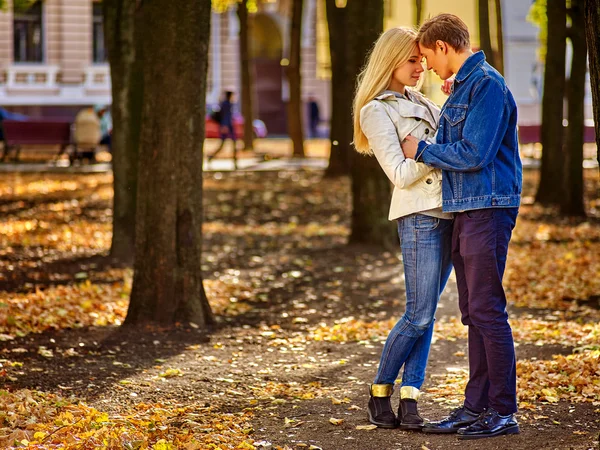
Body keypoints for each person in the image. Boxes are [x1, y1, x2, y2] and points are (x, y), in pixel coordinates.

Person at [401, 14, 523, 440]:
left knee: (488, 310)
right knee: (474, 312)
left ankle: (503, 411)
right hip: (467, 209)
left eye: (428, 57)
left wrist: (423, 150)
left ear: (442, 47)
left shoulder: (487, 85)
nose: (428, 67)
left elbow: (475, 153)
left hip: (488, 208)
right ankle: (476, 406)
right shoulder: (464, 87)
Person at [353, 27, 453, 430]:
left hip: (451, 212)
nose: (421, 66)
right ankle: (380, 390)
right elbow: (398, 172)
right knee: (418, 313)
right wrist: (432, 154)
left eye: (422, 60)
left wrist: (452, 102)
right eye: (412, 60)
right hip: (418, 217)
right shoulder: (376, 110)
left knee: (428, 316)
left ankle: (410, 398)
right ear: (391, 59)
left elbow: (450, 144)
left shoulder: (425, 102)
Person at [208, 90, 238, 169]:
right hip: (226, 127)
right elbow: (226, 116)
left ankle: (235, 161)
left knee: (233, 144)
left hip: (229, 126)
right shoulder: (226, 104)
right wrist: (224, 126)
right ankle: (210, 157)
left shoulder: (227, 104)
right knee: (223, 145)